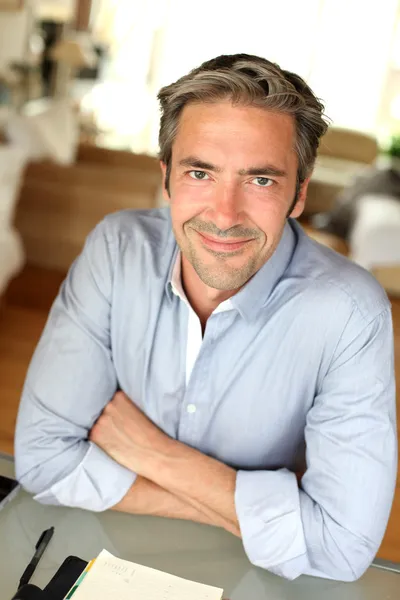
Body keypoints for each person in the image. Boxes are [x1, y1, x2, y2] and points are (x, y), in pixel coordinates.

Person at [14, 54, 397, 582]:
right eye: (200, 173)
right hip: (104, 550)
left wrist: (157, 456)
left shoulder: (351, 312)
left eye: (260, 180)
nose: (224, 214)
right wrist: (253, 510)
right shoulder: (117, 249)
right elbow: (43, 462)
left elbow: (340, 548)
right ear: (166, 178)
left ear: (299, 193)